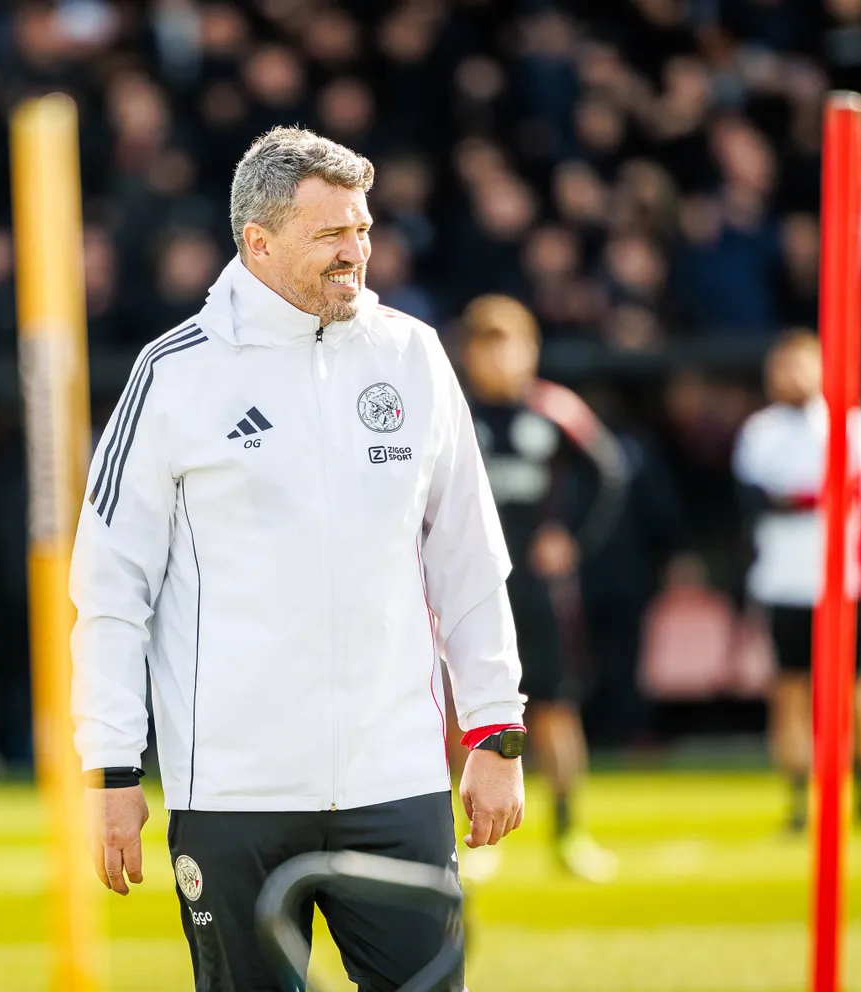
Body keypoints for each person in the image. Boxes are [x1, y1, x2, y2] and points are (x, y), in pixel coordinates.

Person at [71, 127, 527, 991]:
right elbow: (110, 591)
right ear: (259, 242)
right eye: (331, 234)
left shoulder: (411, 354)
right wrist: (112, 769)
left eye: (362, 229)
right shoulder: (173, 373)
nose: (357, 251)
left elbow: (468, 557)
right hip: (233, 792)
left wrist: (495, 728)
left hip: (396, 780)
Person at [455, 295, 627, 883]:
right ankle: (471, 836)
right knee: (460, 714)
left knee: (555, 709)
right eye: (488, 347)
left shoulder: (554, 410)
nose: (500, 359)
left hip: (538, 592)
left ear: (531, 350)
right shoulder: (453, 410)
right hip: (469, 591)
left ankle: (569, 832)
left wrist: (571, 538)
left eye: (510, 346)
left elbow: (610, 474)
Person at [732, 331, 861, 841]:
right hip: (783, 583)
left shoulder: (856, 425)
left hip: (844, 583)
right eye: (782, 366)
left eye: (800, 365)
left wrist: (802, 499)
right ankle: (798, 806)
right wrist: (819, 498)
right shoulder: (760, 431)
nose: (791, 376)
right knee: (789, 693)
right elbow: (753, 499)